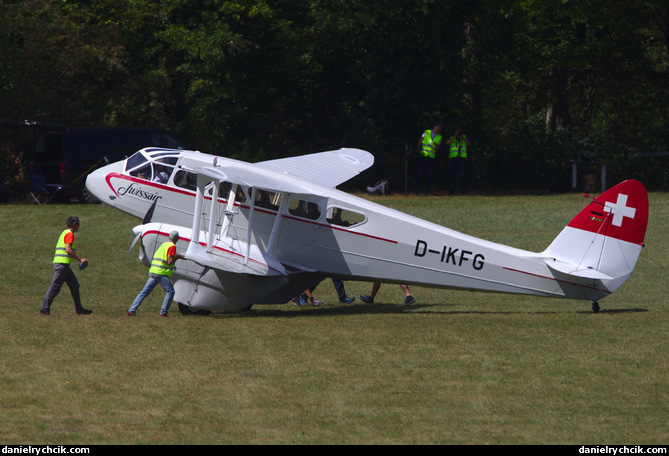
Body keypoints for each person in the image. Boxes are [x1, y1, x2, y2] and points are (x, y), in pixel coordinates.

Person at [40, 216, 92, 315]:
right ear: (74, 224)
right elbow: (68, 250)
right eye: (78, 224)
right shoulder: (69, 234)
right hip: (62, 265)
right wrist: (80, 259)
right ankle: (44, 310)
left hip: (64, 265)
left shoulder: (64, 232)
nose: (79, 226)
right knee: (54, 288)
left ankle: (79, 309)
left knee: (74, 285)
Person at [127, 231, 184, 317]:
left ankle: (131, 311)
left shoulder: (164, 245)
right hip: (161, 273)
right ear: (177, 239)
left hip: (153, 271)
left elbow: (167, 254)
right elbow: (169, 261)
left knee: (144, 292)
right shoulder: (172, 247)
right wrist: (178, 257)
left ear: (169, 237)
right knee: (170, 291)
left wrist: (176, 254)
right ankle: (163, 312)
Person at [413, 122, 443, 195]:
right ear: (435, 126)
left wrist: (436, 146)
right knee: (419, 173)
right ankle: (415, 191)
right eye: (439, 127)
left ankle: (427, 191)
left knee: (430, 174)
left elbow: (437, 149)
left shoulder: (439, 137)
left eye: (440, 128)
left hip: (431, 157)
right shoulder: (427, 132)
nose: (439, 129)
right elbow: (420, 140)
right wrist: (419, 149)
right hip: (424, 154)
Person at [446, 128, 471, 195]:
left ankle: (464, 192)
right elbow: (447, 143)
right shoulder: (452, 137)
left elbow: (469, 144)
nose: (459, 134)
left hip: (462, 158)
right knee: (452, 175)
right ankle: (451, 191)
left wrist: (462, 137)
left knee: (462, 175)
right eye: (458, 132)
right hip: (453, 158)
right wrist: (454, 136)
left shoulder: (464, 137)